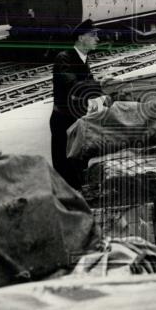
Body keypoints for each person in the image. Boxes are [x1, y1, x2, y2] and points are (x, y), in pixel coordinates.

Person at [49, 19, 104, 188]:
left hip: (75, 122)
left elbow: (89, 89)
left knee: (76, 170)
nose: (97, 39)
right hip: (63, 123)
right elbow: (74, 87)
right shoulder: (64, 59)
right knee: (65, 171)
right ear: (81, 38)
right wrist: (98, 85)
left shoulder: (82, 59)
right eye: (93, 35)